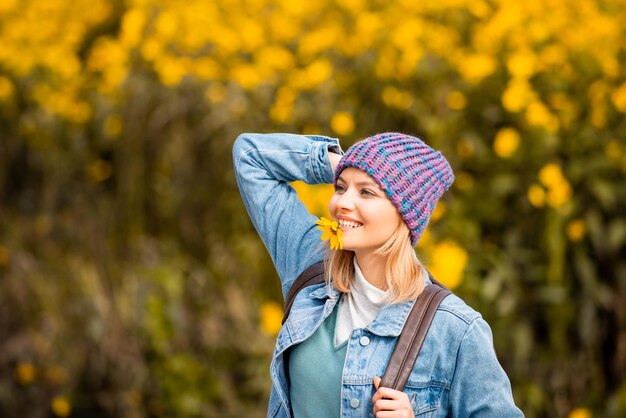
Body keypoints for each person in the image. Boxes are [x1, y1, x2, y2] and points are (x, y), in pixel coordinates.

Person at [232, 132, 524, 417]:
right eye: (341, 188)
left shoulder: (456, 329)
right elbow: (250, 155)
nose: (342, 203)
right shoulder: (309, 263)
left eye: (367, 192)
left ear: (404, 214)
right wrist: (345, 163)